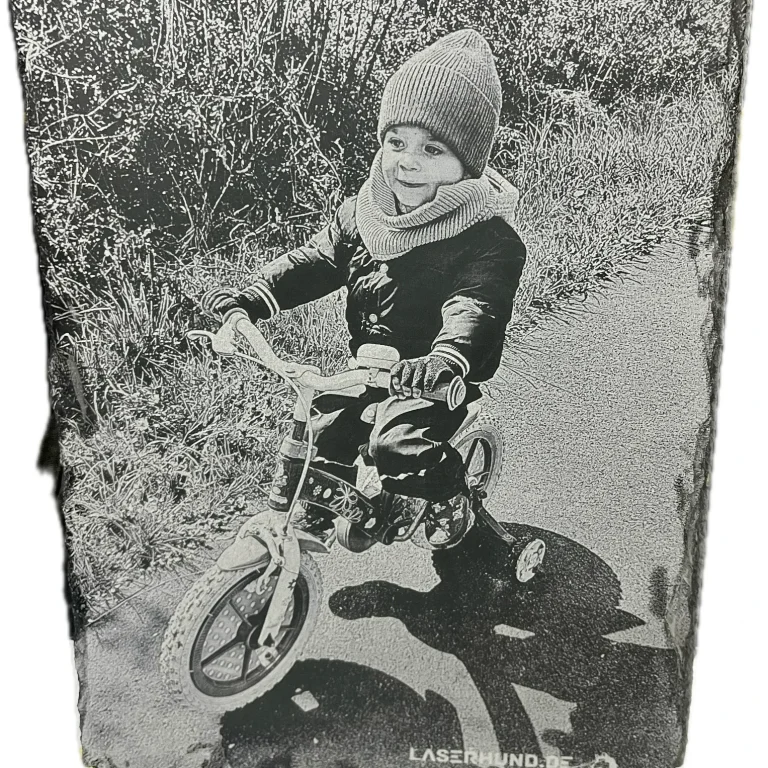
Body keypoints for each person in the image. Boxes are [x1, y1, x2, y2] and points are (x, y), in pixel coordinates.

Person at [202, 29, 526, 548]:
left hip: (428, 377)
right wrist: (254, 296)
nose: (407, 161)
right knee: (321, 430)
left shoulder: (487, 239)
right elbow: (319, 261)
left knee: (398, 447)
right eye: (396, 142)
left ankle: (449, 498)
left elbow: (478, 303)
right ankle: (320, 512)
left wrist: (446, 358)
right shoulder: (364, 214)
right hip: (368, 365)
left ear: (469, 163)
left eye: (433, 148)